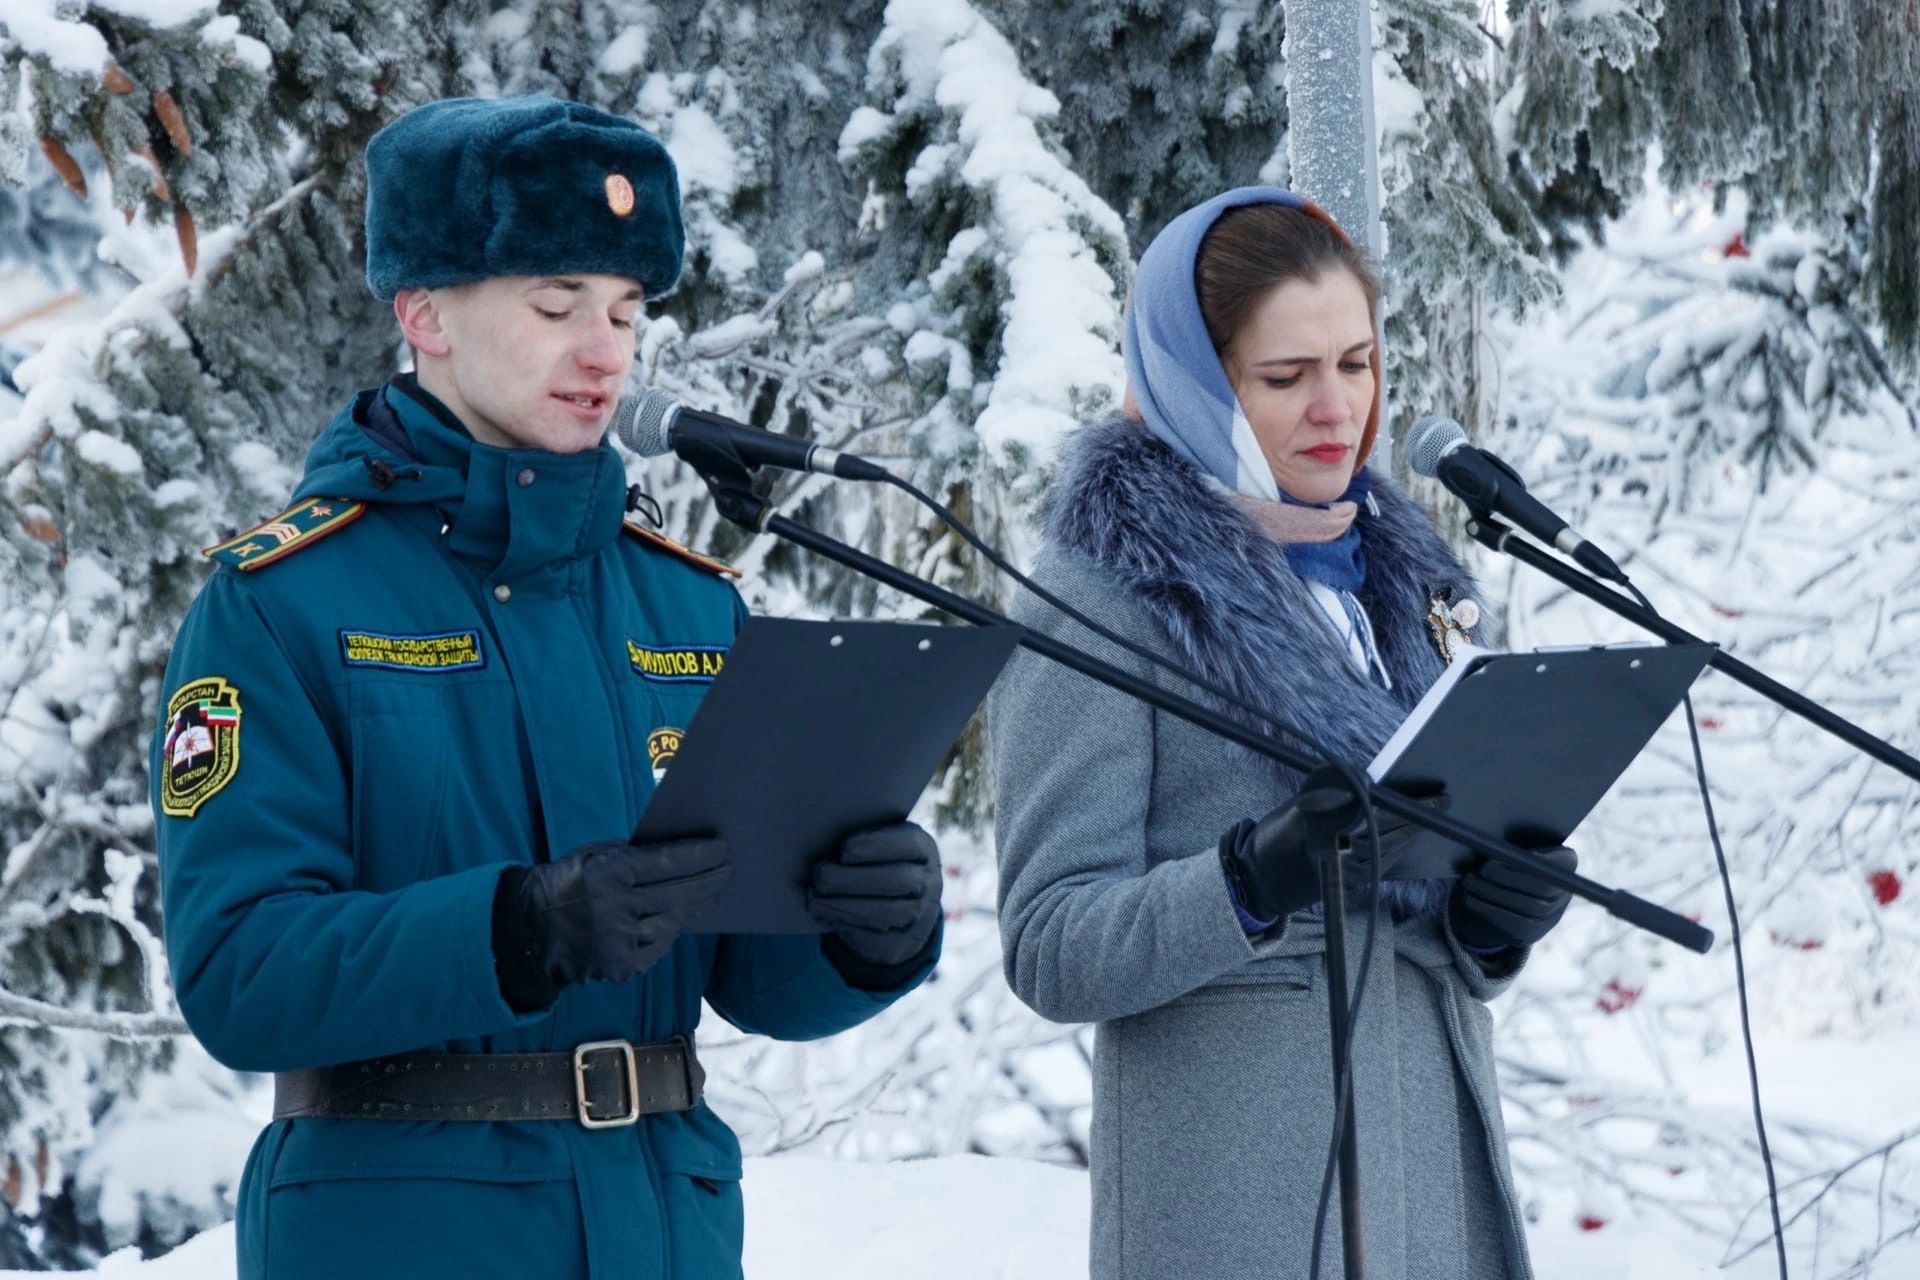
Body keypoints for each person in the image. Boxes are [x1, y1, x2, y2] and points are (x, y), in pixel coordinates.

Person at [152, 95, 944, 1280]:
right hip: (406, 1231)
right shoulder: (281, 603)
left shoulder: (689, 605)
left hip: (666, 1221)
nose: (605, 349)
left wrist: (865, 931)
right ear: (424, 312)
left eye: (626, 310)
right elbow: (240, 973)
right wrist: (515, 928)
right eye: (555, 303)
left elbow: (746, 972)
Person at [987, 187, 1577, 1279]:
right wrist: (1252, 879)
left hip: (1430, 1189)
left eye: (1354, 363)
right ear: (1195, 382)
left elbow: (1418, 897)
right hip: (1240, 1208)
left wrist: (1491, 924)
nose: (1335, 408)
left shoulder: (1409, 583)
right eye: (1285, 376)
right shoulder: (1104, 596)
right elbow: (1051, 943)